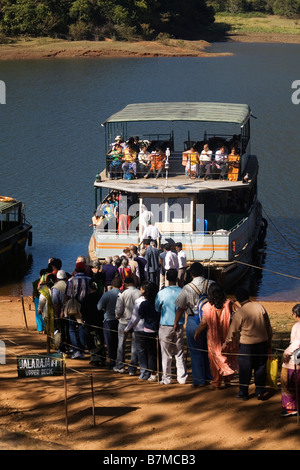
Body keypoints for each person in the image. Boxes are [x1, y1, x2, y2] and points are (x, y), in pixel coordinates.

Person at [222, 287, 273, 400]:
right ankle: (260, 391)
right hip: (262, 343)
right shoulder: (260, 307)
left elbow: (232, 331)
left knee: (245, 370)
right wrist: (269, 340)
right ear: (248, 297)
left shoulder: (240, 312)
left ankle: (243, 393)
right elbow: (268, 326)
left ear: (238, 300)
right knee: (260, 368)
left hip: (247, 346)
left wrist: (226, 343)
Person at [174, 262, 213, 387]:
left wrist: (176, 322)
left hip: (193, 319)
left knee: (195, 351)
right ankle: (211, 376)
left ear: (191, 274)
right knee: (209, 349)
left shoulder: (187, 288)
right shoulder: (211, 284)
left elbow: (180, 307)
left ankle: (199, 380)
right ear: (203, 272)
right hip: (210, 319)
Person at [194, 283, 238, 390]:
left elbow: (203, 322)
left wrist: (197, 333)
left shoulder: (207, 307)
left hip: (213, 338)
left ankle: (216, 382)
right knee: (228, 356)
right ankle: (227, 380)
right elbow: (239, 313)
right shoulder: (229, 303)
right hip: (227, 335)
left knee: (214, 360)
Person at [155, 269, 188, 385]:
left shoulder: (162, 293)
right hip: (179, 325)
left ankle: (167, 378)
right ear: (177, 278)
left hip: (165, 325)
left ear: (167, 279)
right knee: (179, 352)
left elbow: (157, 308)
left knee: (166, 354)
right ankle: (182, 377)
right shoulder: (182, 291)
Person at [114, 277, 141, 375]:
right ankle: (132, 369)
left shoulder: (123, 293)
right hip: (136, 323)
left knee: (121, 344)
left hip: (123, 321)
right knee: (135, 346)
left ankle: (120, 366)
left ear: (125, 284)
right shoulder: (139, 292)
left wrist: (117, 316)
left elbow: (119, 308)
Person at [124, 282, 149, 380]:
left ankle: (144, 372)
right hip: (150, 329)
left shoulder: (139, 301)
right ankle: (150, 372)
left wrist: (127, 329)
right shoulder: (153, 300)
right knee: (149, 351)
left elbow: (134, 318)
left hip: (139, 329)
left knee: (140, 351)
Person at [65, 262, 91, 359]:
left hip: (73, 307)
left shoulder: (71, 280)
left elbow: (67, 295)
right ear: (84, 270)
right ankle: (82, 351)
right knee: (82, 328)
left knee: (72, 328)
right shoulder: (89, 280)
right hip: (85, 308)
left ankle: (76, 351)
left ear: (75, 270)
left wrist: (64, 307)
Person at [97, 276, 122, 369]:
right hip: (120, 321)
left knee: (110, 343)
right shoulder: (122, 293)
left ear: (112, 285)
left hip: (109, 320)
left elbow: (99, 307)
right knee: (119, 343)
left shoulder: (107, 294)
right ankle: (119, 362)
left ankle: (112, 362)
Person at [139, 281, 161, 382]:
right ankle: (159, 372)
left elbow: (141, 315)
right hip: (158, 329)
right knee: (159, 352)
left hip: (148, 329)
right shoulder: (159, 303)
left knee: (151, 353)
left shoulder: (144, 304)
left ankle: (153, 374)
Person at [281, 304, 300, 417]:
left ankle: (290, 408)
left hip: (294, 361)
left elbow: (297, 342)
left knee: (289, 383)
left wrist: (286, 353)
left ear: (295, 314)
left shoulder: (297, 326)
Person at [81, 280, 106, 367]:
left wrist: (84, 319)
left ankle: (94, 359)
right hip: (100, 321)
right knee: (100, 339)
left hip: (90, 322)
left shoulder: (86, 298)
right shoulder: (101, 296)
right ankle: (102, 358)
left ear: (89, 288)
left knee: (91, 340)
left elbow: (82, 311)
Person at [52, 270, 68, 352]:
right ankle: (69, 345)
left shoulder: (55, 288)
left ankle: (61, 347)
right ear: (65, 277)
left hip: (59, 312)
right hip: (69, 311)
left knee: (60, 329)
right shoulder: (68, 285)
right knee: (68, 329)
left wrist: (56, 315)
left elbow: (56, 303)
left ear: (57, 278)